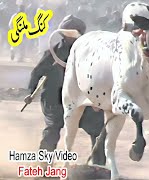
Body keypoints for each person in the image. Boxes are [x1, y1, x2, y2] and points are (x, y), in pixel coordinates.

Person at [24, 15, 106, 168]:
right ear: (62, 34)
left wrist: (98, 100)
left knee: (99, 129)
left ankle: (98, 166)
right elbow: (36, 73)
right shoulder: (52, 53)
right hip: (54, 100)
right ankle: (44, 166)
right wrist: (31, 91)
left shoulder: (91, 54)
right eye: (67, 34)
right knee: (52, 130)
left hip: (82, 100)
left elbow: (98, 77)